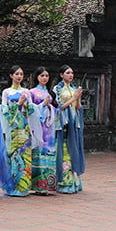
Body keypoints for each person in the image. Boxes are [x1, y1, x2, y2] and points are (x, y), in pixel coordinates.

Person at [0, 65, 37, 197]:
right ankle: (11, 186)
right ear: (11, 76)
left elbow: (32, 109)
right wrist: (18, 104)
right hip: (13, 128)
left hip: (24, 128)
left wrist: (26, 104)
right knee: (12, 154)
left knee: (25, 156)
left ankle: (23, 186)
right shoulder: (6, 92)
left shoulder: (26, 91)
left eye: (21, 74)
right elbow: (4, 110)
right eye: (17, 74)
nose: (19, 76)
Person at [54, 65, 85, 194]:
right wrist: (73, 98)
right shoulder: (57, 89)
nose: (70, 75)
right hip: (63, 123)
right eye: (67, 73)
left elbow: (78, 108)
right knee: (64, 150)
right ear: (61, 75)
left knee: (75, 150)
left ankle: (75, 181)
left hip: (74, 122)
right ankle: (64, 182)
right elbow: (59, 107)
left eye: (72, 73)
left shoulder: (74, 88)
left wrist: (77, 98)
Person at [28, 67, 59, 195]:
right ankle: (38, 186)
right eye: (42, 75)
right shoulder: (32, 92)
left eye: (46, 75)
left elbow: (57, 110)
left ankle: (48, 185)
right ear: (37, 77)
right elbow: (30, 109)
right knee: (37, 154)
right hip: (38, 128)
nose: (45, 78)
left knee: (49, 155)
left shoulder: (50, 93)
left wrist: (50, 106)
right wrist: (42, 106)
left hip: (49, 129)